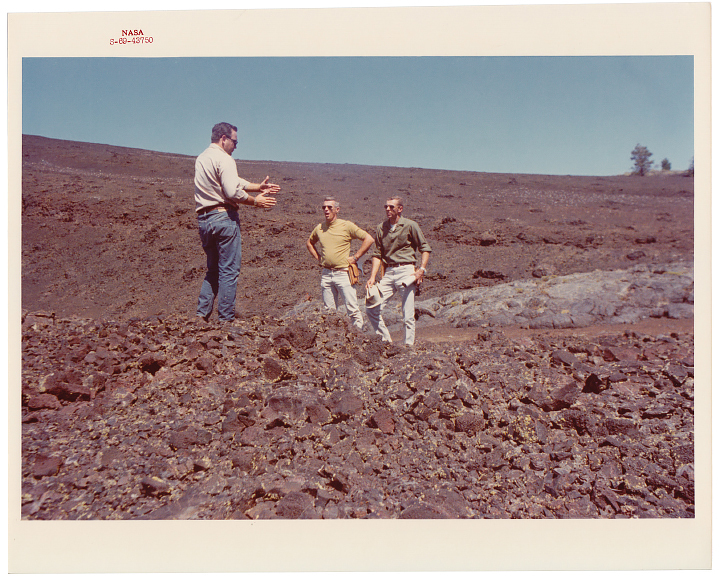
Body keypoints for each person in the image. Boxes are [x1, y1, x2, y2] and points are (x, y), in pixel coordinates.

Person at [194, 122, 281, 322]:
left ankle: (201, 316)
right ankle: (225, 320)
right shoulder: (225, 159)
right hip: (224, 218)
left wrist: (257, 186)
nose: (235, 146)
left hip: (204, 220)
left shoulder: (202, 158)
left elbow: (232, 181)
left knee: (213, 269)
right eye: (235, 141)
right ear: (223, 138)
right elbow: (232, 190)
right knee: (229, 270)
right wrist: (255, 201)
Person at [365, 196, 431, 346]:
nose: (388, 209)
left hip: (406, 271)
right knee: (372, 308)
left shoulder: (410, 225)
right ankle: (386, 342)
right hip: (388, 272)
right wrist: (372, 277)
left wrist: (421, 270)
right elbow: (377, 254)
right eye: (386, 207)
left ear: (400, 209)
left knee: (407, 315)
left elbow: (425, 248)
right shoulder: (381, 228)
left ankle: (408, 347)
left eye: (391, 207)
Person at [306, 197, 375, 329]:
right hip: (326, 274)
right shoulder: (320, 228)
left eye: (329, 207)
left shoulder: (346, 225)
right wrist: (319, 258)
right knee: (329, 312)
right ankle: (334, 339)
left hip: (343, 274)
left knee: (352, 309)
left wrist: (355, 257)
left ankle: (359, 337)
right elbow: (309, 243)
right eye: (324, 207)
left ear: (337, 210)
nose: (326, 210)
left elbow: (369, 239)